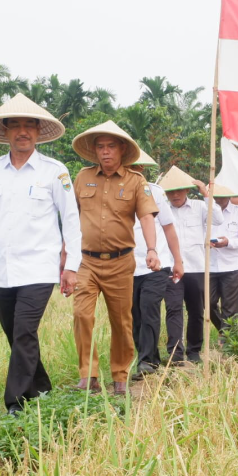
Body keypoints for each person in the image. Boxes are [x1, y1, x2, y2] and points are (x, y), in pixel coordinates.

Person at [0, 93, 81, 416]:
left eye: (29, 126)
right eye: (16, 126)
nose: (23, 131)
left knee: (24, 331)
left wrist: (72, 266)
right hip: (4, 271)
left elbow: (72, 219)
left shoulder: (54, 171)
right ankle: (43, 387)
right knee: (15, 334)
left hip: (39, 269)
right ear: (6, 131)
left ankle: (16, 405)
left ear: (38, 131)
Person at [71, 120, 160, 397]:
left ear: (122, 150)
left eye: (111, 146)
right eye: (100, 147)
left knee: (121, 321)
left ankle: (120, 376)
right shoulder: (82, 177)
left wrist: (152, 250)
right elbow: (69, 218)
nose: (106, 152)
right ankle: (89, 375)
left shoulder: (136, 181)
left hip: (121, 262)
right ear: (95, 151)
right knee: (81, 314)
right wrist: (64, 259)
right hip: (86, 261)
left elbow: (146, 217)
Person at [129, 151, 184, 378]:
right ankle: (147, 356)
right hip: (126, 266)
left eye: (135, 167)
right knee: (134, 315)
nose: (132, 171)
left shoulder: (156, 192)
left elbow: (169, 228)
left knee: (149, 308)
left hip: (156, 264)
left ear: (141, 169)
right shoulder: (114, 192)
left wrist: (177, 260)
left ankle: (146, 363)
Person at [160, 166, 222, 364]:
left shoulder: (200, 206)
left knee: (196, 311)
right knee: (173, 309)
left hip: (197, 267)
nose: (175, 195)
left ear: (187, 190)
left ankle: (194, 351)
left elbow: (218, 219)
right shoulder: (161, 210)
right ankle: (175, 354)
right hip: (171, 268)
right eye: (171, 191)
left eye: (179, 190)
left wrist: (206, 194)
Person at [209, 185, 238, 337]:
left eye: (221, 196)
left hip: (232, 265)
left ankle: (227, 340)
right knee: (208, 302)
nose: (218, 200)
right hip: (209, 265)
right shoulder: (205, 210)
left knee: (230, 306)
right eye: (215, 197)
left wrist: (228, 242)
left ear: (228, 196)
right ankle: (223, 331)